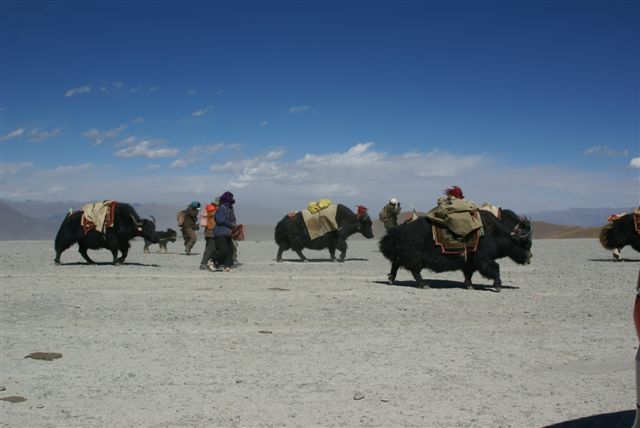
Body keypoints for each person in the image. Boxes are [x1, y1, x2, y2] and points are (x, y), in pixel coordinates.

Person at [213, 191, 237, 272]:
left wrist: (234, 224)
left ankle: (226, 266)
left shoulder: (230, 208)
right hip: (220, 232)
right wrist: (230, 224)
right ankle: (212, 260)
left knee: (231, 249)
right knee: (222, 250)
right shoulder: (222, 208)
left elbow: (233, 218)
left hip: (228, 233)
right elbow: (220, 220)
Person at [199, 202, 218, 271]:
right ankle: (204, 263)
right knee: (211, 249)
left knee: (208, 248)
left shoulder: (206, 212)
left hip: (207, 233)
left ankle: (205, 263)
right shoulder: (213, 213)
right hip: (212, 233)